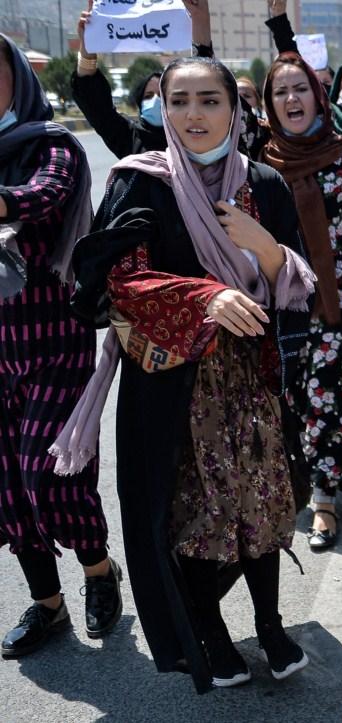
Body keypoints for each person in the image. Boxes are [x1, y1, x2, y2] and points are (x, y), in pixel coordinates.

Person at [59, 55, 317, 692]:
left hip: (252, 379)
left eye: (209, 100)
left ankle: (270, 623)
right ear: (162, 109)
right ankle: (213, 634)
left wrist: (265, 249)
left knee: (262, 506)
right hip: (175, 387)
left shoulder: (264, 183)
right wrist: (204, 295)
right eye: (180, 101)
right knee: (196, 519)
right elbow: (118, 279)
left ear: (235, 108)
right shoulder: (140, 183)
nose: (194, 115)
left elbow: (297, 279)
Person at [0, 33, 122, 659]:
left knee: (49, 476)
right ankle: (47, 603)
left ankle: (100, 575)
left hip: (53, 338)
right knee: (8, 489)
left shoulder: (51, 145)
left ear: (16, 78)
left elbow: (45, 197)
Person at [260, 51, 342, 550]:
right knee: (286, 394)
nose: (292, 97)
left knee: (332, 393)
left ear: (317, 95)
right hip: (271, 295)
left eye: (301, 88)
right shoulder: (254, 159)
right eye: (280, 91)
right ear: (269, 104)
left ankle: (326, 499)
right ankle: (294, 480)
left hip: (336, 295)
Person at [69, 0, 215, 159]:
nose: (155, 100)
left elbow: (204, 83)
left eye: (163, 96)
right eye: (148, 96)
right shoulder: (129, 137)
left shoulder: (194, 136)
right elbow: (92, 99)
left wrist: (200, 20)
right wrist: (88, 47)